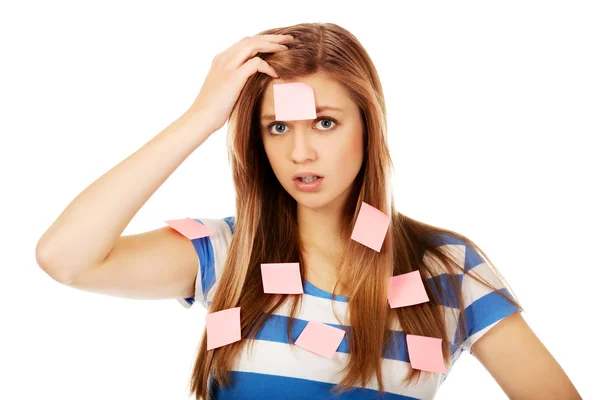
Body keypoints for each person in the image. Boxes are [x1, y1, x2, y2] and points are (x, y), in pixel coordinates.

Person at [36, 22, 581, 400]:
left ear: (369, 126)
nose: (301, 153)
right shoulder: (227, 253)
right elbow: (66, 258)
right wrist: (202, 117)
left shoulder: (447, 268)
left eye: (325, 122)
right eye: (278, 127)